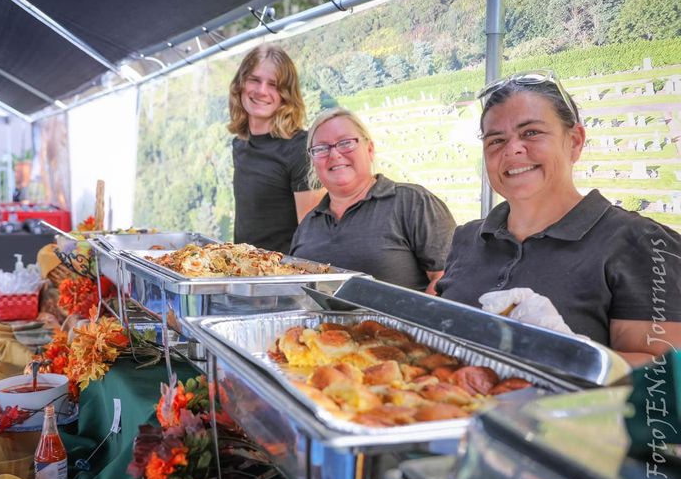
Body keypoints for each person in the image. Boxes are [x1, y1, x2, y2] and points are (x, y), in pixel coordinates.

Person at [436, 70, 681, 366]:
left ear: (575, 141)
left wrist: (555, 353)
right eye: (496, 140)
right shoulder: (467, 238)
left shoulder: (641, 243)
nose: (513, 149)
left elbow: (660, 376)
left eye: (531, 133)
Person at [290, 107, 456, 293]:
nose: (334, 154)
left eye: (345, 143)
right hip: (315, 324)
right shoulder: (308, 224)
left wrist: (412, 317)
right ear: (313, 161)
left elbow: (449, 277)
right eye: (321, 148)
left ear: (369, 149)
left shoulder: (413, 202)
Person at [228, 44, 324, 254]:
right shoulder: (239, 144)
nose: (262, 91)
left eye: (273, 84)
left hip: (282, 279)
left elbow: (312, 237)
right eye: (254, 79)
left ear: (286, 95)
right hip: (243, 273)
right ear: (241, 84)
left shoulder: (301, 148)